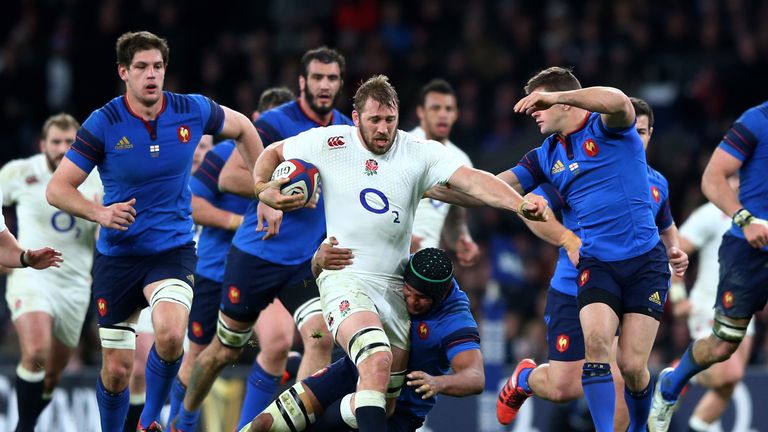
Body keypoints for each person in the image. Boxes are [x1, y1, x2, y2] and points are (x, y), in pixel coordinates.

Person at [250, 74, 546, 432]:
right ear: (356, 118)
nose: (383, 129)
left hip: (396, 289)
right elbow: (272, 153)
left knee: (382, 401)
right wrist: (264, 191)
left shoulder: (418, 152)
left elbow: (473, 181)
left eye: (389, 120)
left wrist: (517, 204)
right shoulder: (329, 142)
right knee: (376, 359)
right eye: (374, 120)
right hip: (345, 277)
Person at [45, 30, 264, 432]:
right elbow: (57, 188)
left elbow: (245, 128)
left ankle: (149, 422)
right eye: (142, 67)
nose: (152, 75)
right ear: (124, 72)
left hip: (172, 249)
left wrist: (264, 191)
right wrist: (100, 213)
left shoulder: (191, 110)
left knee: (169, 335)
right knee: (117, 371)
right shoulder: (104, 122)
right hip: (119, 255)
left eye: (158, 67)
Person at [475, 67, 686, 432]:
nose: (636, 136)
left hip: (637, 268)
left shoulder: (653, 182)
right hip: (578, 276)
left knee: (627, 367)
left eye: (643, 131)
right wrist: (566, 239)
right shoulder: (557, 160)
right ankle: (524, 379)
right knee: (563, 386)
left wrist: (675, 248)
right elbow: (523, 206)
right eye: (633, 129)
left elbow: (665, 225)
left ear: (649, 135)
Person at [171, 47, 352, 432]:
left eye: (332, 78)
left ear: (340, 83)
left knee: (318, 338)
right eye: (317, 78)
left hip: (304, 263)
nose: (324, 85)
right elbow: (229, 178)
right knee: (223, 351)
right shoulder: (274, 123)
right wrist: (274, 191)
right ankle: (182, 419)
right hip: (255, 256)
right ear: (302, 83)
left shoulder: (344, 133)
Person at [240, 246, 483, 432]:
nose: (410, 302)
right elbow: (323, 274)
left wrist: (439, 383)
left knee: (320, 424)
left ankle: (294, 365)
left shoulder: (454, 321)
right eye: (407, 292)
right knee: (264, 424)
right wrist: (317, 261)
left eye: (420, 299)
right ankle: (294, 366)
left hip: (398, 409)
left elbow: (475, 378)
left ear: (440, 296)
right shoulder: (394, 267)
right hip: (350, 371)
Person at [167, 87, 295, 425]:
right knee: (197, 356)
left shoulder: (304, 167)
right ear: (257, 122)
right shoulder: (223, 154)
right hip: (216, 268)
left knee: (279, 343)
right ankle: (180, 422)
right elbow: (192, 204)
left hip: (266, 269)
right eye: (274, 123)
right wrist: (240, 221)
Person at [647, 101, 768, 431]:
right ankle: (674, 379)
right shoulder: (757, 121)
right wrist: (678, 295)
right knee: (724, 356)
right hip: (742, 262)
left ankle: (700, 426)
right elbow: (710, 180)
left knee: (730, 377)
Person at [0, 113, 95, 432]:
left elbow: (111, 227)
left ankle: (26, 422)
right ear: (43, 144)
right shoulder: (21, 172)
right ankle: (23, 429)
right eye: (56, 141)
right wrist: (12, 255)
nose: (63, 148)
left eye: (70, 142)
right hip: (31, 275)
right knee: (37, 351)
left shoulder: (97, 178)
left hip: (76, 284)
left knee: (52, 375)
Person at [666, 176, 753, 432]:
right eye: (735, 177)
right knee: (730, 374)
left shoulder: (757, 214)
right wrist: (678, 298)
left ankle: (695, 428)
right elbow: (674, 252)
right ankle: (677, 374)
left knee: (728, 386)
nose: (741, 182)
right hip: (710, 306)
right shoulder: (710, 214)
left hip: (745, 309)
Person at [409, 79, 478, 265]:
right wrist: (400, 237)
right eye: (435, 108)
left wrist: (463, 240)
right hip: (388, 254)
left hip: (425, 265)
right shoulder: (404, 147)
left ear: (456, 114)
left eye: (448, 109)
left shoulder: (461, 161)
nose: (442, 114)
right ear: (420, 112)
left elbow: (454, 219)